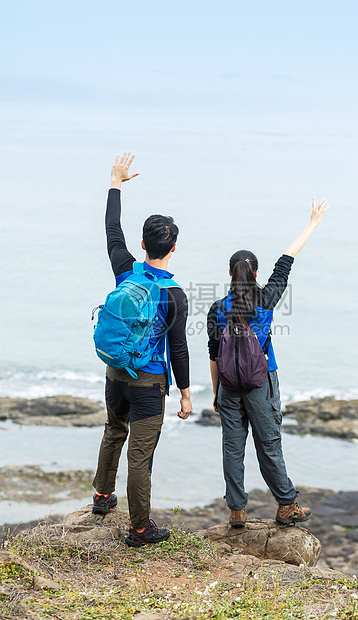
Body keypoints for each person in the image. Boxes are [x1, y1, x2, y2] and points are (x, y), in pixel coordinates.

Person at [207, 198, 329, 527]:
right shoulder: (267, 297)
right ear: (256, 273)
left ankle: (236, 511)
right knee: (269, 442)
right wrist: (312, 224)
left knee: (232, 447)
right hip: (262, 381)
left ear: (229, 273)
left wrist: (217, 394)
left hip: (229, 387)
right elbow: (286, 260)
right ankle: (285, 505)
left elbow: (214, 353)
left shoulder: (218, 308)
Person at [92, 152, 192, 547]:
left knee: (113, 430)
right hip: (149, 384)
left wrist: (115, 182)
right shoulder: (175, 296)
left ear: (142, 244)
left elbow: (110, 230)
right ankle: (139, 528)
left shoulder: (124, 269)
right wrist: (185, 394)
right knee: (140, 456)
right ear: (172, 249)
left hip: (116, 372)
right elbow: (179, 350)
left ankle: (101, 496)